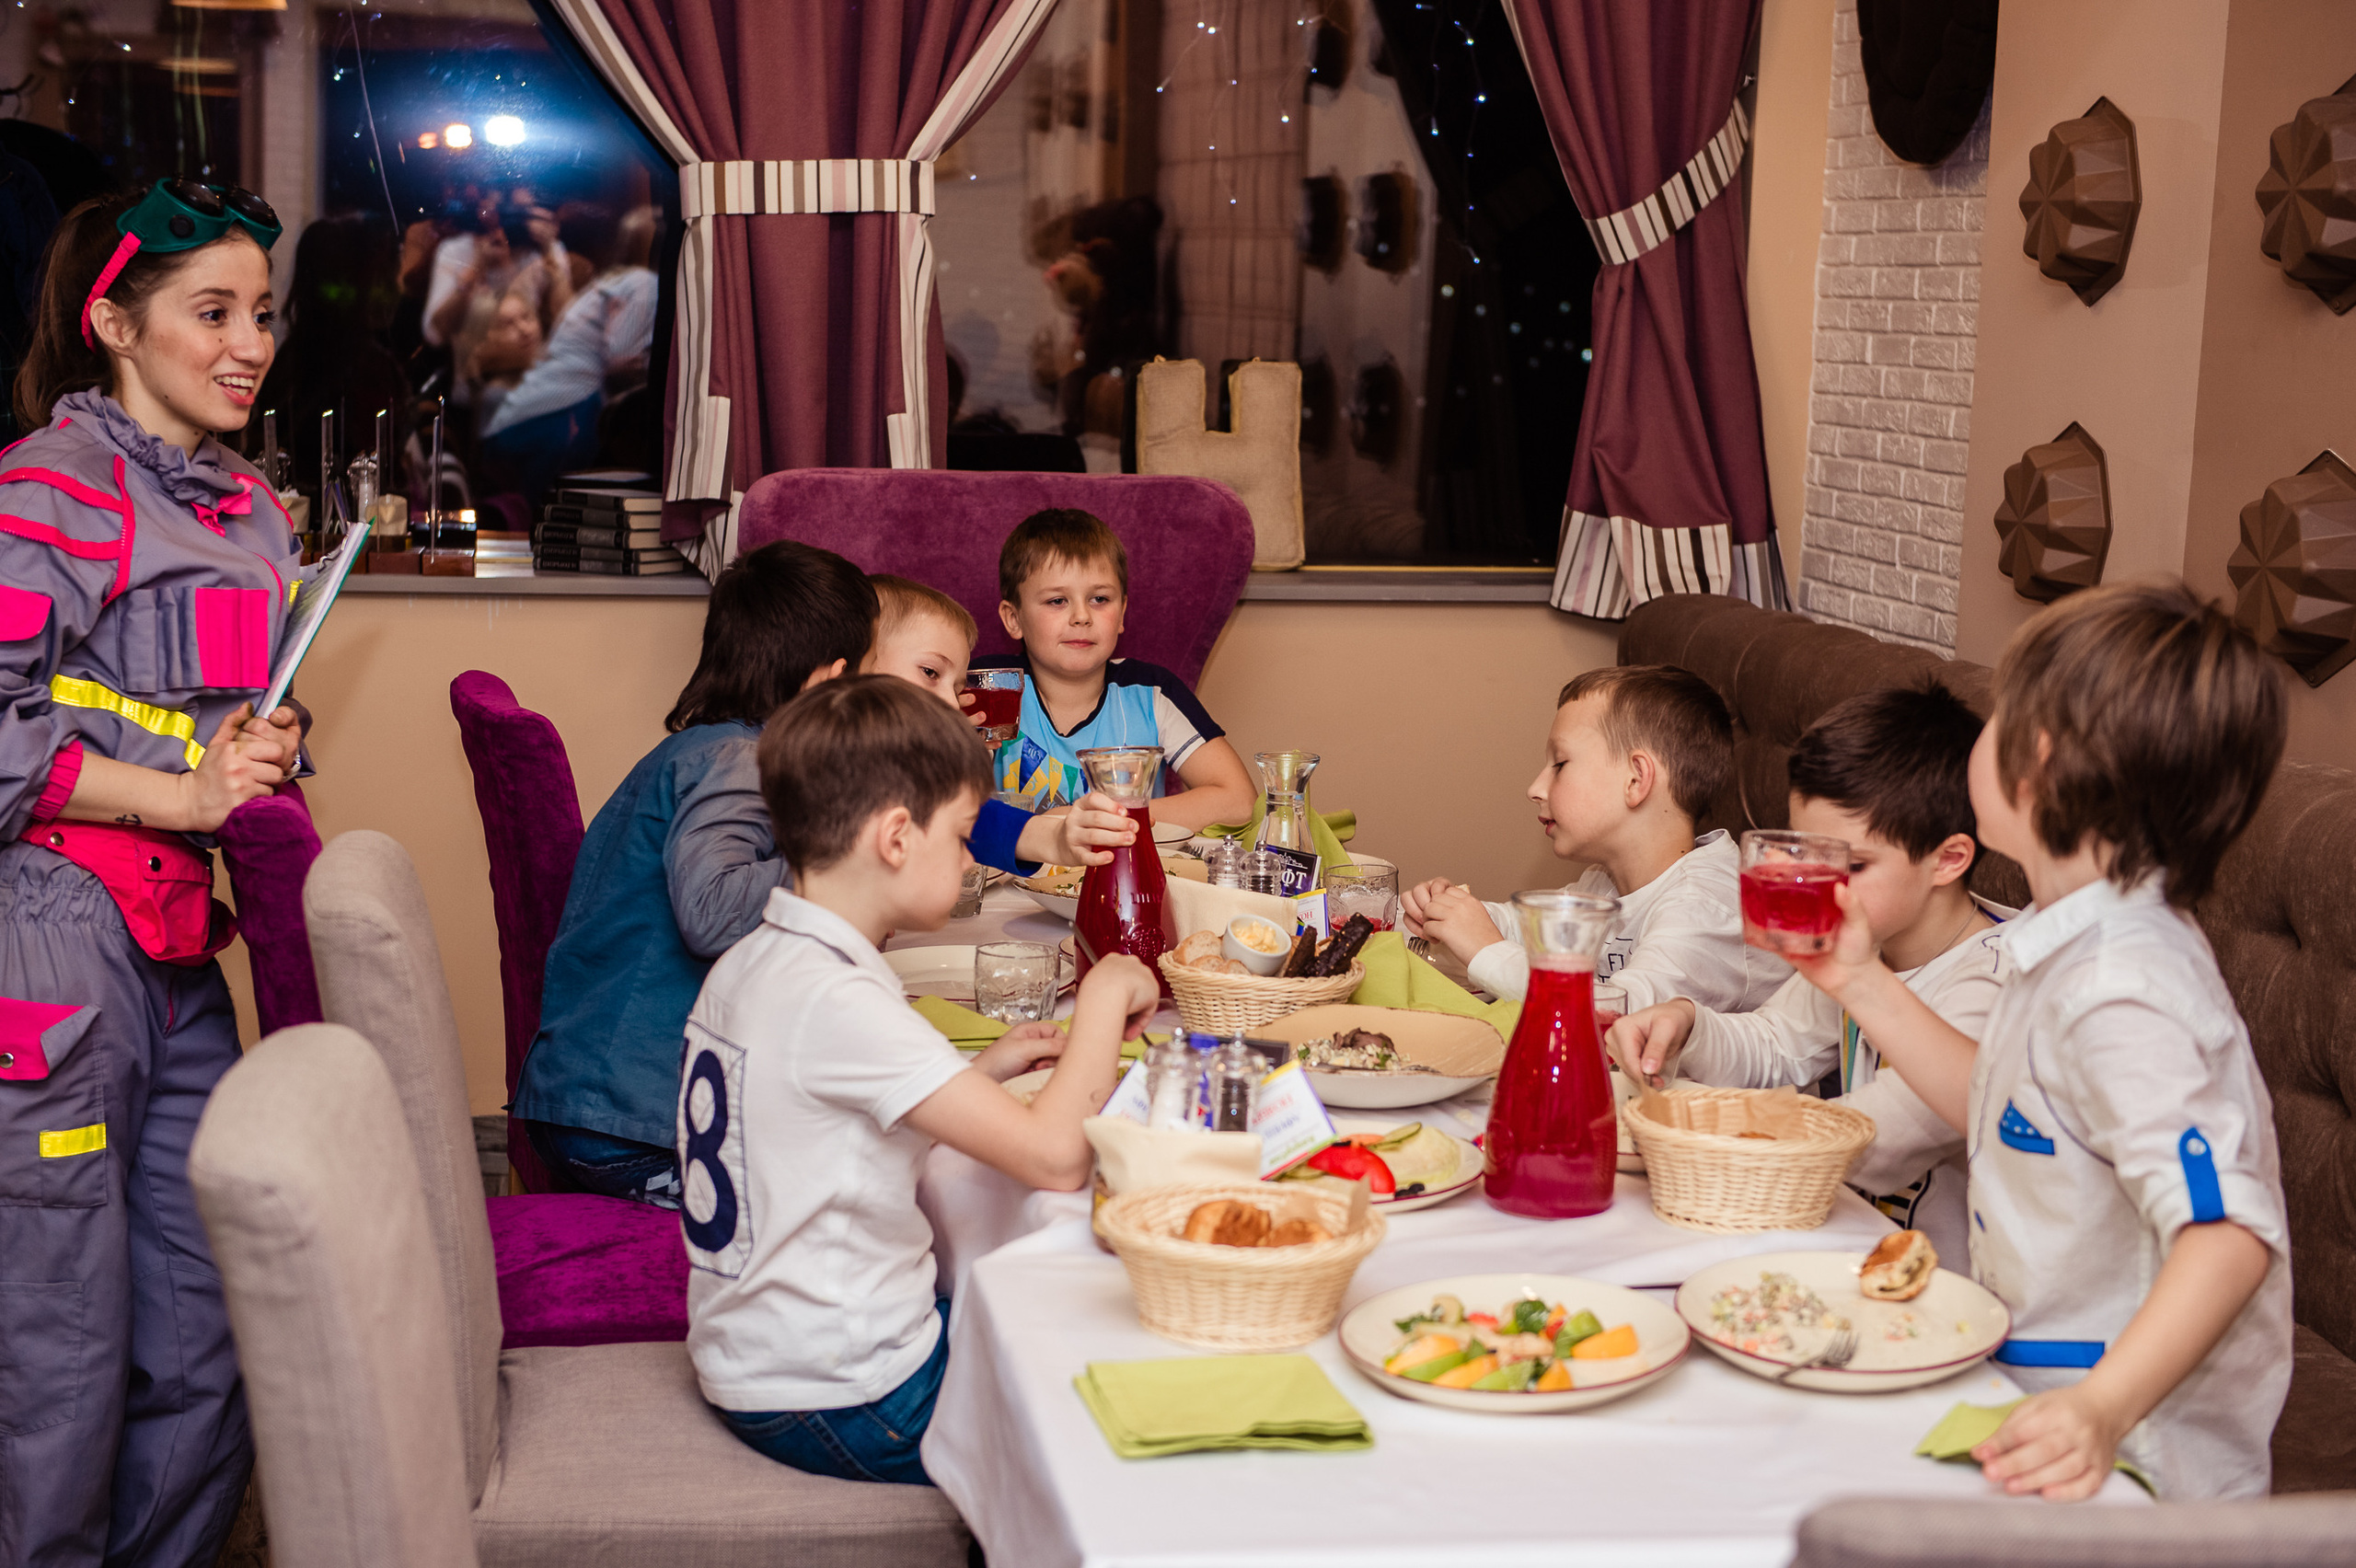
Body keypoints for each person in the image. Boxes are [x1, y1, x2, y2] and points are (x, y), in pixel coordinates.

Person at [1786, 581, 2290, 1502]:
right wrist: (1858, 981)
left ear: (2039, 761)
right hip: (2022, 1385)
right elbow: (1997, 1101)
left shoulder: (2122, 990)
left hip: (2128, 1458)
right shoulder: (2066, 942)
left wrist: (2099, 1410)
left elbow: (2228, 1236)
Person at [2, 179, 305, 1566]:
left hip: (181, 936)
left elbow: (190, 712)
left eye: (263, 314)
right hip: (55, 931)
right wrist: (183, 790)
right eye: (213, 312)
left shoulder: (252, 508)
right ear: (114, 324)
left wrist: (262, 743)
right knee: (59, 1339)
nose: (250, 345)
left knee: (205, 1323)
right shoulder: (48, 485)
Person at [515, 542, 1131, 1205]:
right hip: (631, 1121)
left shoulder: (729, 750)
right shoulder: (737, 764)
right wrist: (846, 858)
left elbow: (933, 817)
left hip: (627, 1101)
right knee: (923, 1191)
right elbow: (712, 912)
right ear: (834, 682)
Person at [681, 674, 1159, 1482]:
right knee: (1111, 1402)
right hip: (846, 1391)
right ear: (897, 838)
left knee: (1018, 1312)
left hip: (761, 1346)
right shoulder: (839, 998)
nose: (971, 857)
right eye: (965, 835)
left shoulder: (761, 959)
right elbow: (1054, 1159)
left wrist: (980, 1070)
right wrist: (1106, 993)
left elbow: (825, 1113)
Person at [1604, 684, 2006, 1262]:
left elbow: (1874, 1142)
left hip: (1930, 1279)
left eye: (1853, 864)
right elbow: (1775, 1044)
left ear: (1948, 860)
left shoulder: (1993, 983)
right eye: (1806, 854)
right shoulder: (1870, 938)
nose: (1819, 884)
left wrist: (1695, 1132)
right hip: (1834, 1236)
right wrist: (1688, 1023)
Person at [1403, 665, 1785, 1011]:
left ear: (1636, 779)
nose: (1535, 789)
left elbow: (1623, 1016)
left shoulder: (1707, 906)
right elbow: (1526, 931)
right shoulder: (1605, 883)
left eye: (1560, 764)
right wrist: (1453, 916)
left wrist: (1486, 949)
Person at [973, 507, 1255, 827]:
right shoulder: (987, 688)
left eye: (1099, 599)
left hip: (1127, 859)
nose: (1082, 617)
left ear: (1121, 614)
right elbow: (939, 804)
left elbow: (1239, 802)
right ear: (1014, 618)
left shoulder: (1150, 692)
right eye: (1057, 601)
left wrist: (1087, 820)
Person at [479, 202, 656, 508]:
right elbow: (619, 356)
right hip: (561, 408)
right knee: (550, 509)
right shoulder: (643, 283)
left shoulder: (610, 281)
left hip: (529, 412)